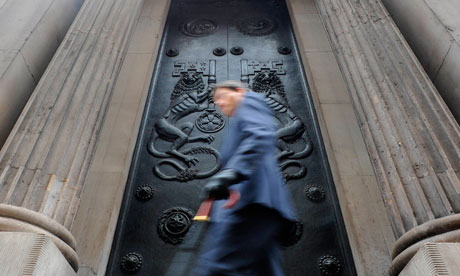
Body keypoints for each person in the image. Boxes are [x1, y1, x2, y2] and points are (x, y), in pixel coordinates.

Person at [193, 80, 297, 276]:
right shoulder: (239, 119)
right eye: (215, 100)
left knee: (218, 269)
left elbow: (259, 135)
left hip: (252, 204)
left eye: (222, 96)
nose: (218, 102)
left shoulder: (249, 101)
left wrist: (233, 172)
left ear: (239, 91)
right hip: (259, 208)